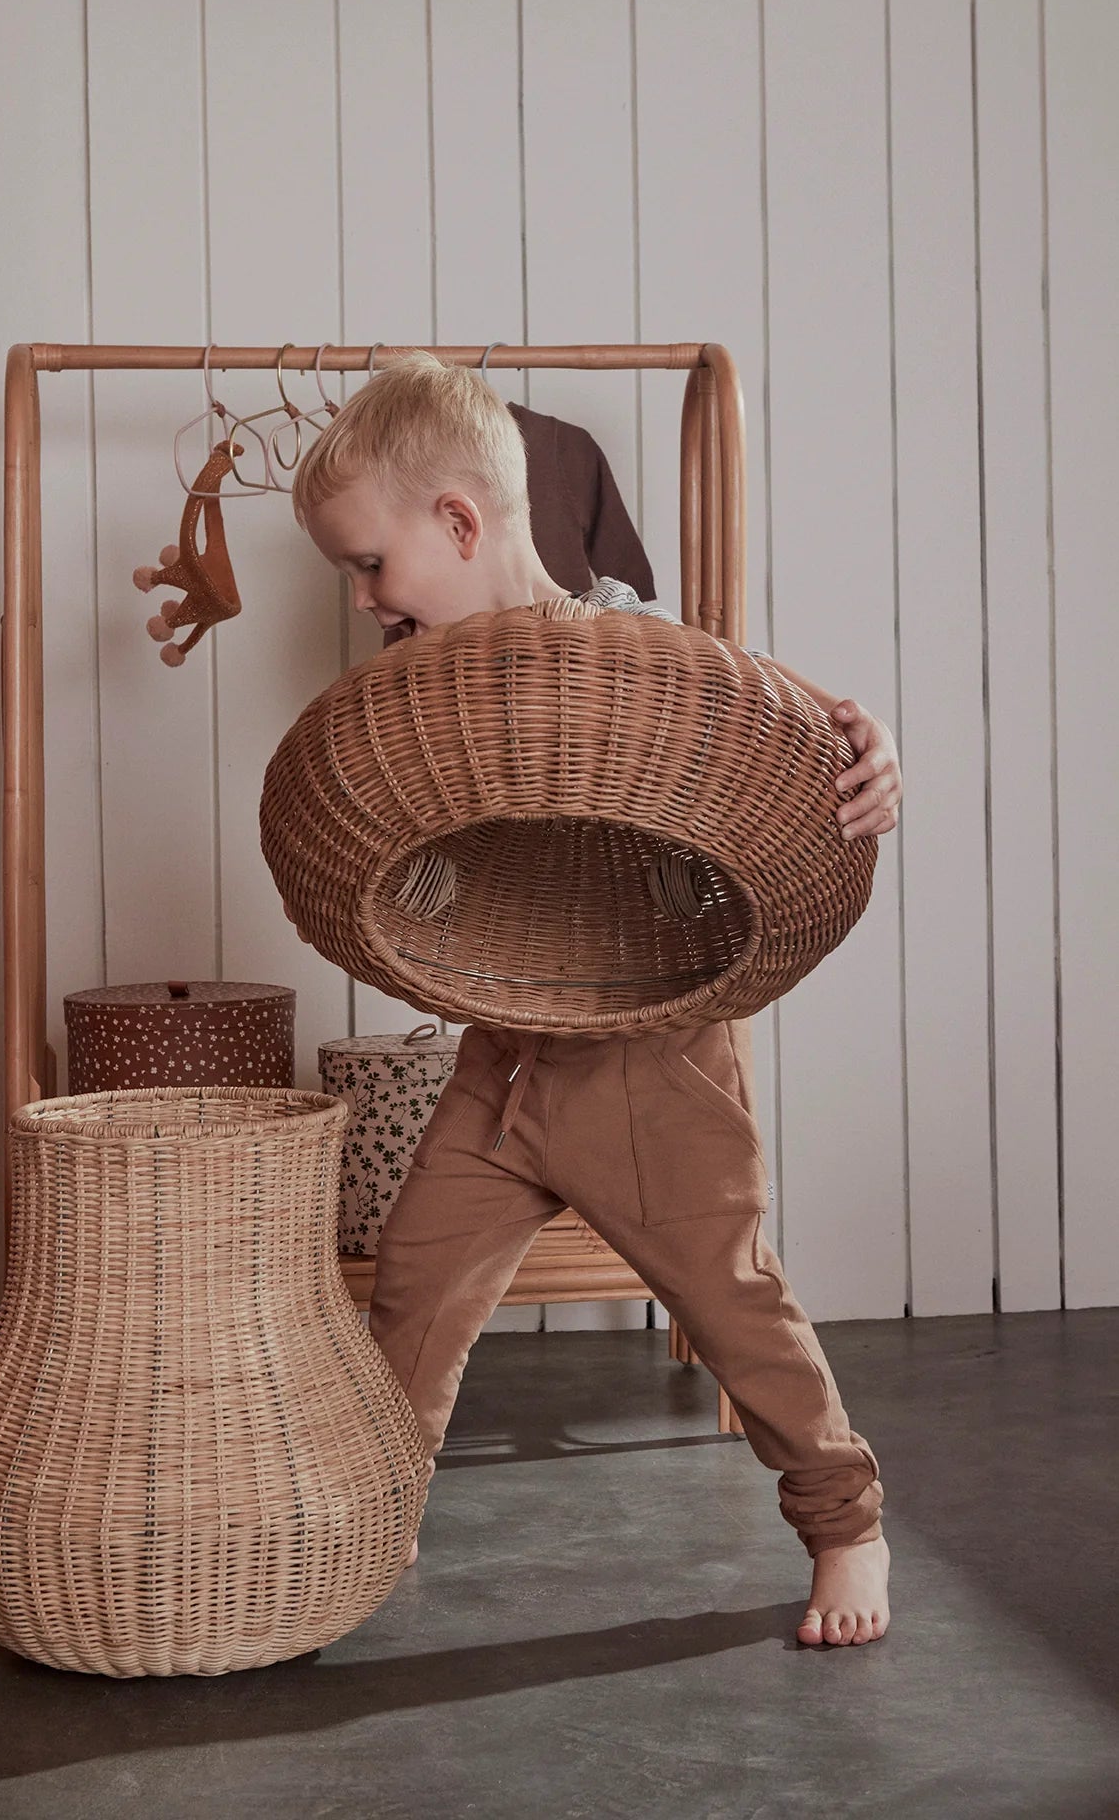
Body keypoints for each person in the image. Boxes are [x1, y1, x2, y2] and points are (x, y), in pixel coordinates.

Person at [289, 351, 900, 1649]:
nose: (360, 602)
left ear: (459, 524)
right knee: (415, 1287)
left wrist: (870, 756)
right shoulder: (422, 706)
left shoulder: (638, 658)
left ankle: (845, 1522)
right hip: (505, 1063)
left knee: (733, 1302)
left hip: (653, 1062)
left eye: (370, 567)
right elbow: (439, 880)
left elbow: (772, 740)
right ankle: (370, 1527)